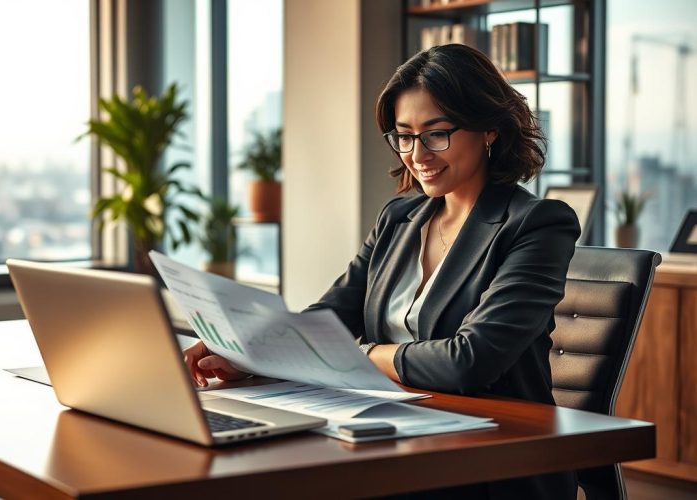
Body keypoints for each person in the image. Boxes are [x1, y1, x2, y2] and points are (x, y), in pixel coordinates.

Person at [183, 44, 579, 499]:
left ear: (488, 128)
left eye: (437, 133)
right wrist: (244, 349)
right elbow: (326, 318)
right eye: (404, 135)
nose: (418, 153)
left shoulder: (538, 223)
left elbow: (470, 361)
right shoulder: (398, 219)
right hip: (390, 433)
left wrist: (359, 356)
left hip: (488, 459)